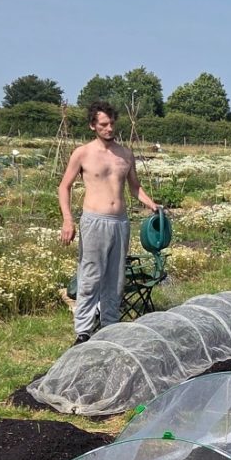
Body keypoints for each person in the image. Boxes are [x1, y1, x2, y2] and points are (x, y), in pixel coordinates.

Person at [59, 101, 162, 343]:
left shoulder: (125, 154)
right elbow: (64, 186)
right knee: (91, 275)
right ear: (92, 125)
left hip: (120, 222)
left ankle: (109, 327)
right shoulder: (82, 153)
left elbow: (135, 188)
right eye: (103, 124)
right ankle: (83, 331)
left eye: (112, 123)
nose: (109, 128)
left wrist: (152, 204)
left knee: (116, 278)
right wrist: (67, 220)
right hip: (94, 221)